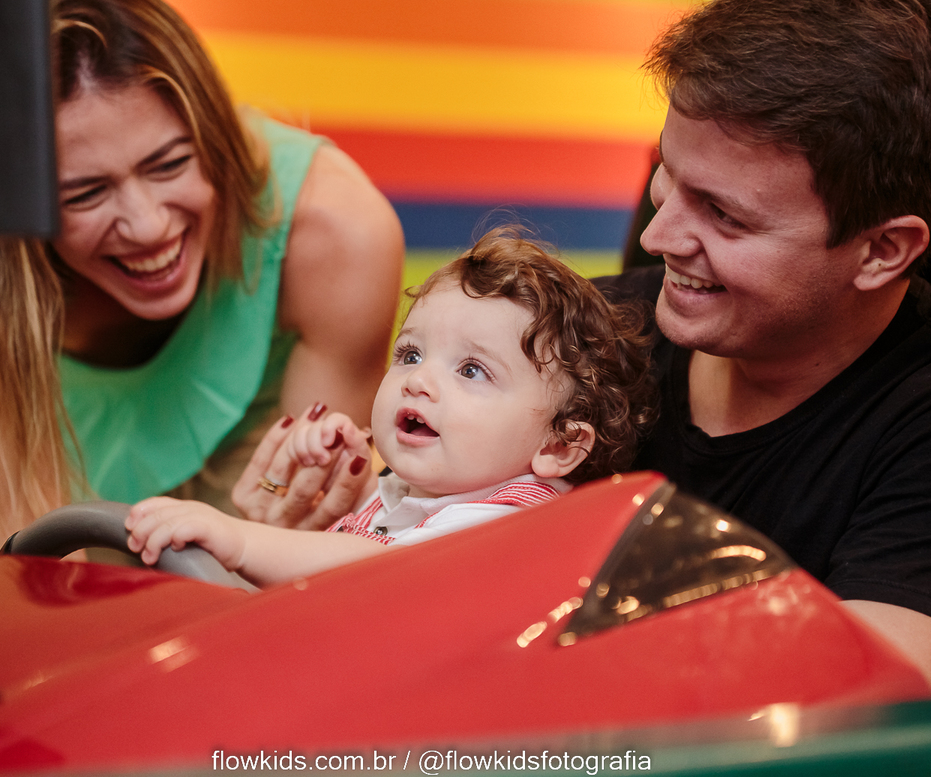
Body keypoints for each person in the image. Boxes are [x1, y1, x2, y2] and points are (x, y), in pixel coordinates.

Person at [595, 0, 931, 695]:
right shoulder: (583, 333)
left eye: (723, 215)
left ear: (882, 250)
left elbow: (866, 700)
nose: (657, 236)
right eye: (668, 174)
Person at [0, 0, 402, 553]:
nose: (147, 226)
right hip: (45, 440)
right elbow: (26, 553)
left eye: (169, 164)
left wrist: (266, 535)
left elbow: (298, 540)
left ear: (215, 138)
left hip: (248, 451)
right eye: (85, 193)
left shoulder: (334, 231)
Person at [124, 229, 656, 585]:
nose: (418, 380)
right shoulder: (416, 494)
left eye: (472, 370)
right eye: (410, 354)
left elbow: (385, 574)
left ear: (559, 445)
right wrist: (336, 490)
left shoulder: (517, 519)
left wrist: (242, 542)